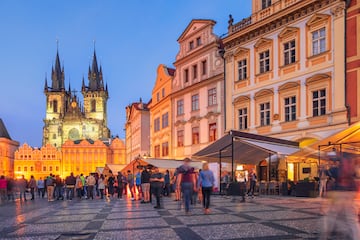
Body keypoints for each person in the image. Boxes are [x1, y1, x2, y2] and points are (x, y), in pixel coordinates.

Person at [320, 155, 360, 240]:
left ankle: (324, 236)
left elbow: (325, 175)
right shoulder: (352, 169)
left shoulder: (335, 169)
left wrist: (324, 168)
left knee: (331, 216)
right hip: (351, 193)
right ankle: (356, 237)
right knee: (352, 220)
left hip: (338, 193)